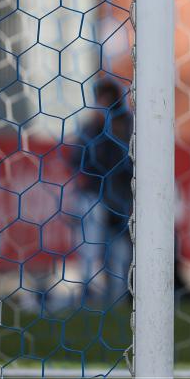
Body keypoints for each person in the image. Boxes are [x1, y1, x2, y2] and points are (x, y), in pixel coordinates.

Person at [70, 78, 134, 308]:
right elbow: (77, 159)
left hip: (120, 198)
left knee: (119, 249)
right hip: (94, 196)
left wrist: (110, 131)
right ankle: (89, 291)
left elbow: (127, 161)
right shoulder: (90, 126)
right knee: (91, 244)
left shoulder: (127, 125)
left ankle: (117, 295)